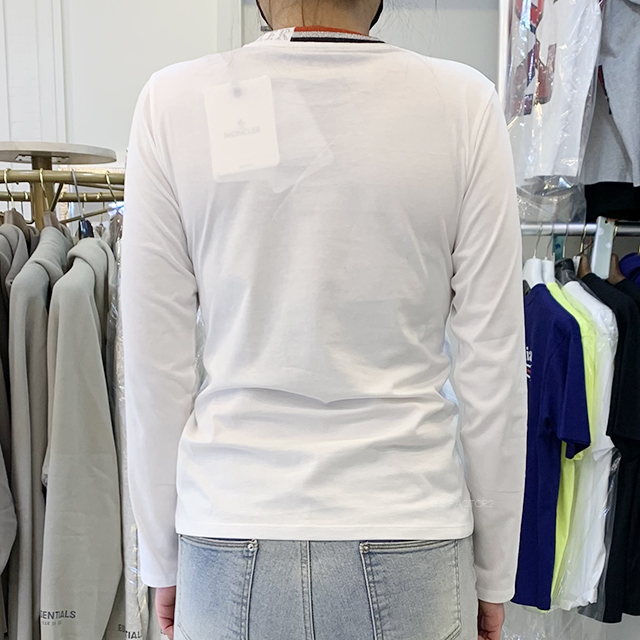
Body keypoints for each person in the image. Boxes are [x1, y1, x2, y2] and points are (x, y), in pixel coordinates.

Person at [120, 0, 528, 639]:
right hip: (411, 527)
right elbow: (494, 368)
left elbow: (154, 370)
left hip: (228, 527)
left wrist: (161, 560)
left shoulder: (172, 104)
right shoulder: (463, 105)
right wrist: (495, 572)